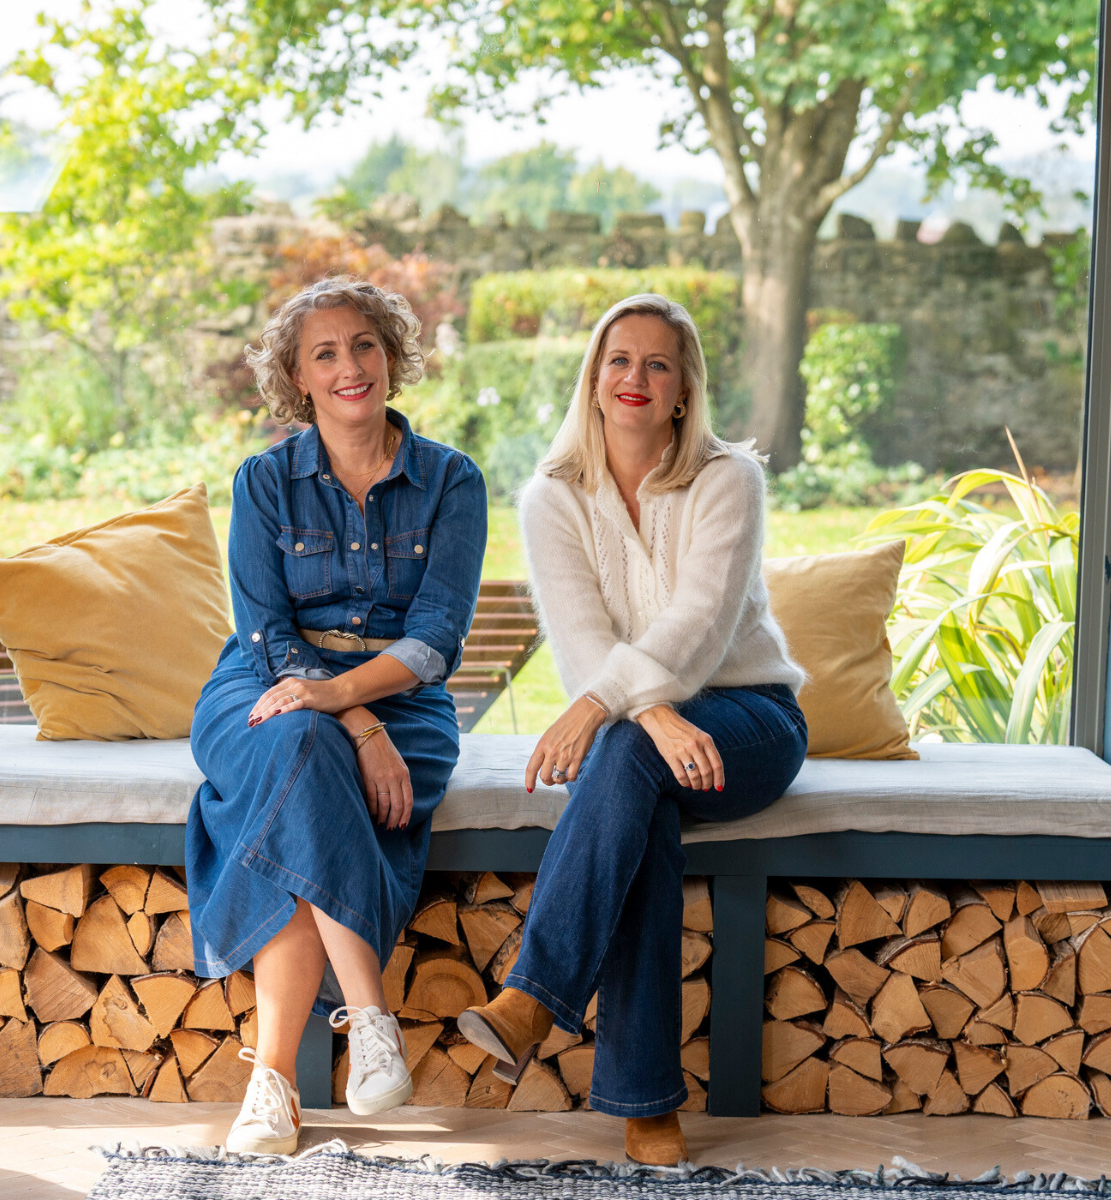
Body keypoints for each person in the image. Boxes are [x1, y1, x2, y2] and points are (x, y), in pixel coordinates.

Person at [457, 293, 809, 1165]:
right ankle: (645, 1105)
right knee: (637, 794)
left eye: (658, 364)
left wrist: (606, 707)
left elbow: (700, 626)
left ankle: (532, 999)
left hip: (750, 718)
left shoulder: (729, 479)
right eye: (619, 360)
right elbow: (582, 640)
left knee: (621, 747)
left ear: (685, 390)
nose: (636, 378)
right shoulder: (552, 497)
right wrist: (647, 714)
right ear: (593, 378)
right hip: (643, 741)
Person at [187, 276, 486, 1154]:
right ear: (299, 378)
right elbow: (265, 631)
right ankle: (370, 1015)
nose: (349, 366)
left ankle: (272, 1084)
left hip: (405, 697)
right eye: (325, 353)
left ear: (391, 357)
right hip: (265, 681)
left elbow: (436, 638)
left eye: (364, 345)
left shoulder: (451, 480)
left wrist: (353, 702)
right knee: (302, 741)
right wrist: (355, 721)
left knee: (297, 769)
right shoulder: (265, 480)